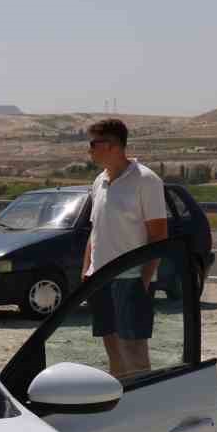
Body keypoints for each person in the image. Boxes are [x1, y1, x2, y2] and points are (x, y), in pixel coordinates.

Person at [82, 118, 167, 379]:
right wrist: (87, 271)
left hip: (130, 280)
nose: (89, 150)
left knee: (134, 349)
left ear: (111, 145)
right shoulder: (99, 181)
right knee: (111, 345)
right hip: (100, 279)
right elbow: (95, 230)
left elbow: (159, 236)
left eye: (92, 144)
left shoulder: (146, 180)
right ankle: (120, 399)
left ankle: (145, 404)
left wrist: (143, 280)